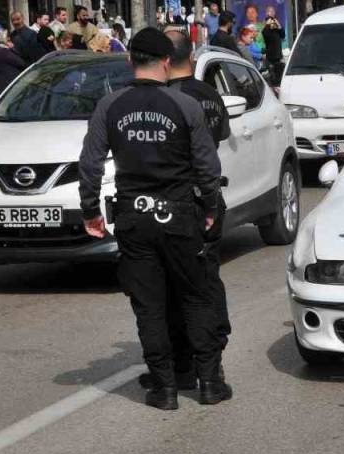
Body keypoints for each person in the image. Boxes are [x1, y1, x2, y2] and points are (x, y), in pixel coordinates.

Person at [78, 27, 230, 410]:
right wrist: (211, 208)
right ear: (166, 62)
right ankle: (209, 382)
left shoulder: (110, 105)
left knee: (149, 305)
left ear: (131, 61)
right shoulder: (184, 105)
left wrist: (90, 212)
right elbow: (207, 167)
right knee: (196, 297)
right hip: (180, 216)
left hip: (134, 219)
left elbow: (90, 164)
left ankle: (164, 389)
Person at [137, 29, 233, 391]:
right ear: (189, 56)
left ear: (163, 59)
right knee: (206, 282)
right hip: (208, 198)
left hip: (176, 202)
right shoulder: (209, 94)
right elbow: (219, 139)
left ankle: (183, 365)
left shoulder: (163, 100)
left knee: (175, 289)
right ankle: (211, 366)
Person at [0, 31, 26, 99]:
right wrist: (12, 49)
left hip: (2, 87)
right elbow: (21, 63)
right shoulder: (3, 52)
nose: (10, 40)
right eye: (8, 39)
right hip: (7, 87)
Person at [261, 6, 285, 78]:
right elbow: (265, 34)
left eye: (272, 12)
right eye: (269, 11)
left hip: (278, 54)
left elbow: (283, 35)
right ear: (266, 13)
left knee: (279, 74)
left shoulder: (276, 25)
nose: (271, 13)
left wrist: (279, 26)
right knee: (272, 75)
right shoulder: (266, 25)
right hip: (270, 55)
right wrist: (267, 24)